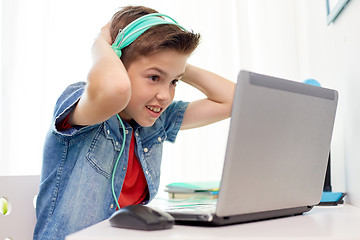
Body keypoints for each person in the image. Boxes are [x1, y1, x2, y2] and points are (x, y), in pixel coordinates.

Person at [34, 5, 235, 240]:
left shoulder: (157, 120)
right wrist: (102, 44)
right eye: (154, 77)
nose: (165, 96)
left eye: (174, 82)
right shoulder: (83, 104)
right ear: (116, 64)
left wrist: (175, 65)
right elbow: (115, 89)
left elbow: (232, 100)